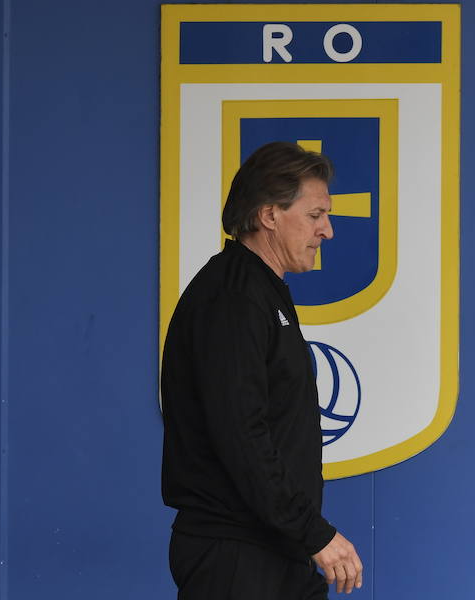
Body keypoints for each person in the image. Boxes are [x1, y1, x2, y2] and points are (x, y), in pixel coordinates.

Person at [161, 141, 363, 599]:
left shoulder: (262, 292)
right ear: (269, 215)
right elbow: (241, 433)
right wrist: (314, 533)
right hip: (236, 555)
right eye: (315, 215)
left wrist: (304, 533)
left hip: (278, 549)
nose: (327, 231)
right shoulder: (232, 298)